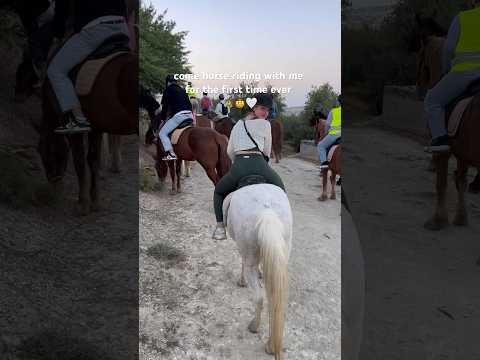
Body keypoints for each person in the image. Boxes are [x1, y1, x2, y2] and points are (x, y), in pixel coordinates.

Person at [47, 0, 130, 134]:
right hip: (122, 26)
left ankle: (78, 119)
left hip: (95, 28)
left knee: (56, 70)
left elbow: (62, 7)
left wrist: (58, 34)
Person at [212, 93, 286, 240]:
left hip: (239, 165)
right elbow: (266, 151)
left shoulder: (238, 125)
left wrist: (239, 161)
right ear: (254, 108)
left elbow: (230, 151)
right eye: (262, 109)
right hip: (259, 164)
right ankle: (282, 226)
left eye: (268, 110)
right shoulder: (266, 124)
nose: (266, 113)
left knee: (219, 192)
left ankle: (220, 228)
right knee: (281, 190)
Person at [424, 0, 480, 152]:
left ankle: (440, 140)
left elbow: (448, 49)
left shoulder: (462, 18)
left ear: (473, 2)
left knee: (432, 100)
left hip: (464, 74)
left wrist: (447, 70)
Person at [158, 74, 193, 161]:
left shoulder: (168, 90)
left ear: (168, 82)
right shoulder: (183, 90)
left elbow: (165, 107)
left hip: (179, 117)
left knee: (162, 133)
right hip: (189, 115)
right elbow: (189, 105)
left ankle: (172, 154)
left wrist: (162, 119)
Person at [317, 96, 341, 169]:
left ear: (338, 102)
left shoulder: (333, 111)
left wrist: (326, 132)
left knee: (320, 146)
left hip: (334, 135)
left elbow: (327, 124)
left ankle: (324, 165)